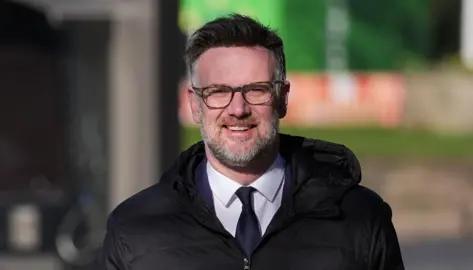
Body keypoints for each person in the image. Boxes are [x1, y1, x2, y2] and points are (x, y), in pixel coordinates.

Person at [97, 13, 404, 270]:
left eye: (256, 90)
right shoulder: (135, 229)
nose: (238, 109)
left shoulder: (360, 218)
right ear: (194, 104)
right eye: (218, 91)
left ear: (282, 98)